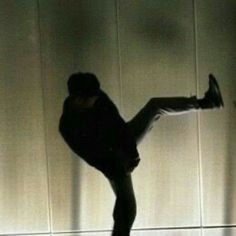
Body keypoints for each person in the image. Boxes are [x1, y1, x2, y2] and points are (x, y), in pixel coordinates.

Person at [59, 72, 224, 236]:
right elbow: (94, 158)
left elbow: (117, 125)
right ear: (78, 99)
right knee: (128, 207)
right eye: (91, 100)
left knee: (155, 106)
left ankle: (208, 102)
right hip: (111, 159)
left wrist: (131, 153)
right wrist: (121, 166)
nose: (95, 101)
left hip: (121, 142)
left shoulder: (97, 96)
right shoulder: (68, 126)